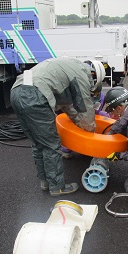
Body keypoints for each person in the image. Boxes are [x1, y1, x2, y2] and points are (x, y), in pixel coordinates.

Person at [10, 58, 104, 196]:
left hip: (16, 91)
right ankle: (57, 187)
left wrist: (79, 123)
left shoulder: (67, 67)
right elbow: (85, 106)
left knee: (38, 143)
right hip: (35, 96)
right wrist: (91, 132)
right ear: (94, 76)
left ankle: (45, 182)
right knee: (51, 144)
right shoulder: (81, 74)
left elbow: (68, 107)